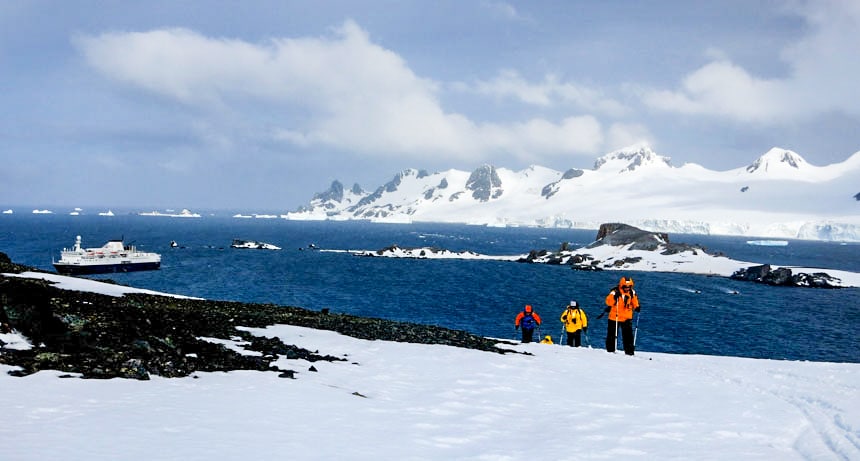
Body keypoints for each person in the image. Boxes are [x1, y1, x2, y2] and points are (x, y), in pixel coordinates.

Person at [602, 277, 640, 355]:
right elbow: (608, 302)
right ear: (622, 285)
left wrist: (637, 307)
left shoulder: (632, 292)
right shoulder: (615, 292)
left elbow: (635, 301)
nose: (627, 288)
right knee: (611, 335)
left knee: (628, 336)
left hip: (627, 317)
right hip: (614, 317)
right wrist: (614, 298)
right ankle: (610, 350)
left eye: (629, 287)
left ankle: (629, 352)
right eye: (626, 287)